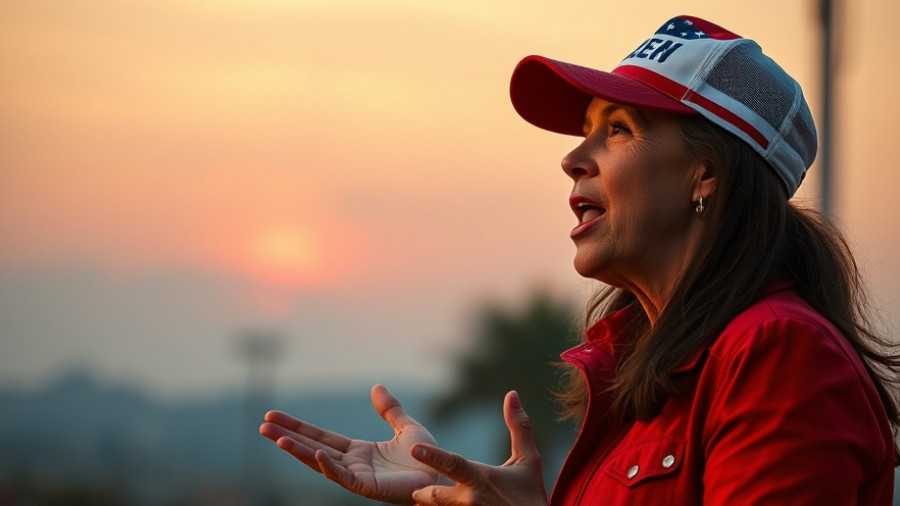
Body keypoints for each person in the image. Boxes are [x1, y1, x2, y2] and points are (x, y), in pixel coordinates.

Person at [259, 15, 899, 505]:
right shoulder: (655, 376)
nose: (573, 157)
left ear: (705, 174)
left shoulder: (778, 356)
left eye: (617, 128)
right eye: (585, 129)